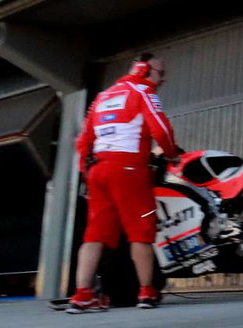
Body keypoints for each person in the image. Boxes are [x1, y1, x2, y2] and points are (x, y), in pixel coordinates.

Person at [68, 54, 181, 312]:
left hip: (98, 172)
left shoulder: (102, 97)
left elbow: (83, 141)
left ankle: (82, 295)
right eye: (160, 73)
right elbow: (161, 129)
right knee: (142, 229)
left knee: (94, 235)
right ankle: (146, 292)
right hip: (129, 171)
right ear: (144, 70)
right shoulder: (143, 91)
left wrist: (87, 173)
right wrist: (172, 154)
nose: (162, 79)